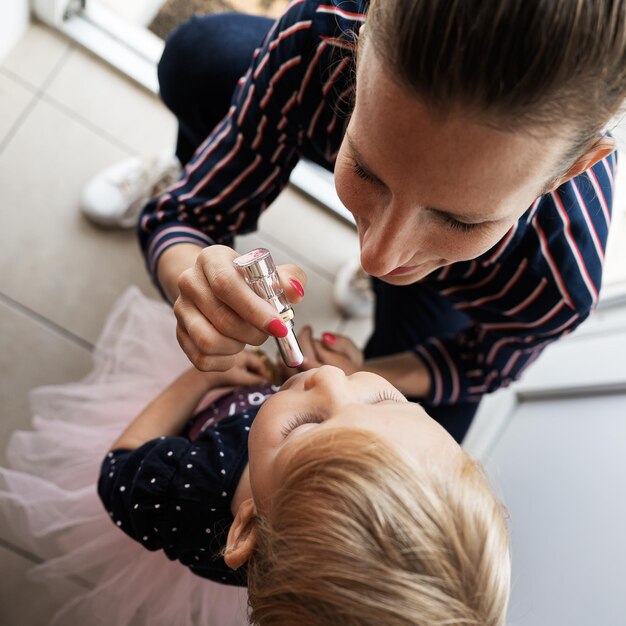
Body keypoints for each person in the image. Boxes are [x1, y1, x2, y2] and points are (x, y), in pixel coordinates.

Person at [81, 0, 624, 443]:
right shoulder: (318, 42)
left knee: (423, 439)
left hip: (459, 292)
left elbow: (482, 364)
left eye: (460, 221)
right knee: (197, 56)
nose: (378, 257)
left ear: (571, 171)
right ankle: (195, 161)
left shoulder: (559, 277)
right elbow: (187, 216)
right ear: (355, 52)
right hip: (314, 89)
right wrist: (196, 271)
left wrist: (369, 376)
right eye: (364, 168)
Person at [0, 287, 510, 626]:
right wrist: (332, 385)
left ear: (243, 530)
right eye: (385, 401)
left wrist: (198, 381)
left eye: (309, 424)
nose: (330, 378)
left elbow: (121, 464)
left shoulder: (183, 488)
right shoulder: (299, 536)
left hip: (200, 410)